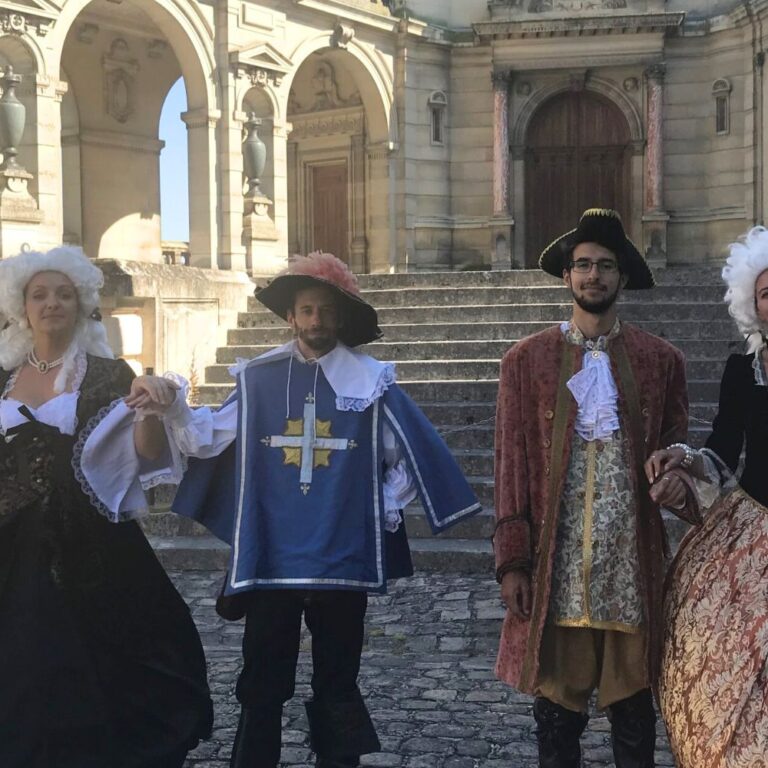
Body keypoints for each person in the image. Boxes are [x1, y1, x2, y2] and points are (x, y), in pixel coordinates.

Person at [166, 251, 482, 768]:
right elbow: (206, 440)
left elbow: (403, 457)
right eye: (306, 310)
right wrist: (174, 405)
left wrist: (378, 505)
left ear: (340, 318)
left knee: (338, 676)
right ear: (291, 316)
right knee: (262, 677)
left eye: (325, 312)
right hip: (272, 557)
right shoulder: (259, 379)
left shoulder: (371, 381)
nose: (316, 321)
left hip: (341, 556)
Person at [493, 209, 698, 768]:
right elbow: (510, 465)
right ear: (567, 277)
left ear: (622, 277)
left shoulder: (662, 361)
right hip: (557, 567)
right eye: (583, 265)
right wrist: (513, 561)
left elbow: (680, 451)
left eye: (605, 266)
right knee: (557, 719)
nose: (593, 276)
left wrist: (676, 475)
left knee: (634, 717)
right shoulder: (525, 362)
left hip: (629, 567)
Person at [0, 246, 213, 768]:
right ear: (21, 307)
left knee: (102, 648)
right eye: (40, 295)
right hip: (10, 536)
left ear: (81, 305)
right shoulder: (2, 377)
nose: (52, 303)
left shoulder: (109, 373)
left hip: (88, 537)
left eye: (64, 295)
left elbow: (146, 455)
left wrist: (150, 409)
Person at [646, 225, 768, 768]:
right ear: (753, 304)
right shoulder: (744, 370)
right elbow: (722, 449)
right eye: (766, 292)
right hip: (754, 527)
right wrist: (685, 456)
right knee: (724, 655)